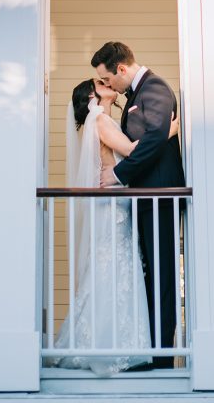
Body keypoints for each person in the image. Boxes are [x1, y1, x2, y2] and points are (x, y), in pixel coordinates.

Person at [50, 78, 155, 375]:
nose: (107, 82)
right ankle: (111, 344)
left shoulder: (101, 120)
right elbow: (133, 151)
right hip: (112, 206)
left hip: (113, 204)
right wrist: (169, 131)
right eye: (100, 82)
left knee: (111, 270)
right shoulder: (101, 120)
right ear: (93, 95)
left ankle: (107, 341)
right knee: (115, 269)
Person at [92, 42, 185, 369]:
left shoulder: (155, 88)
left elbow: (154, 140)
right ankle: (149, 353)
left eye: (108, 78)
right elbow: (154, 138)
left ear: (120, 68)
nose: (109, 86)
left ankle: (161, 360)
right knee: (149, 277)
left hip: (160, 197)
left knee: (162, 279)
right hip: (145, 200)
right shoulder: (134, 96)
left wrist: (118, 174)